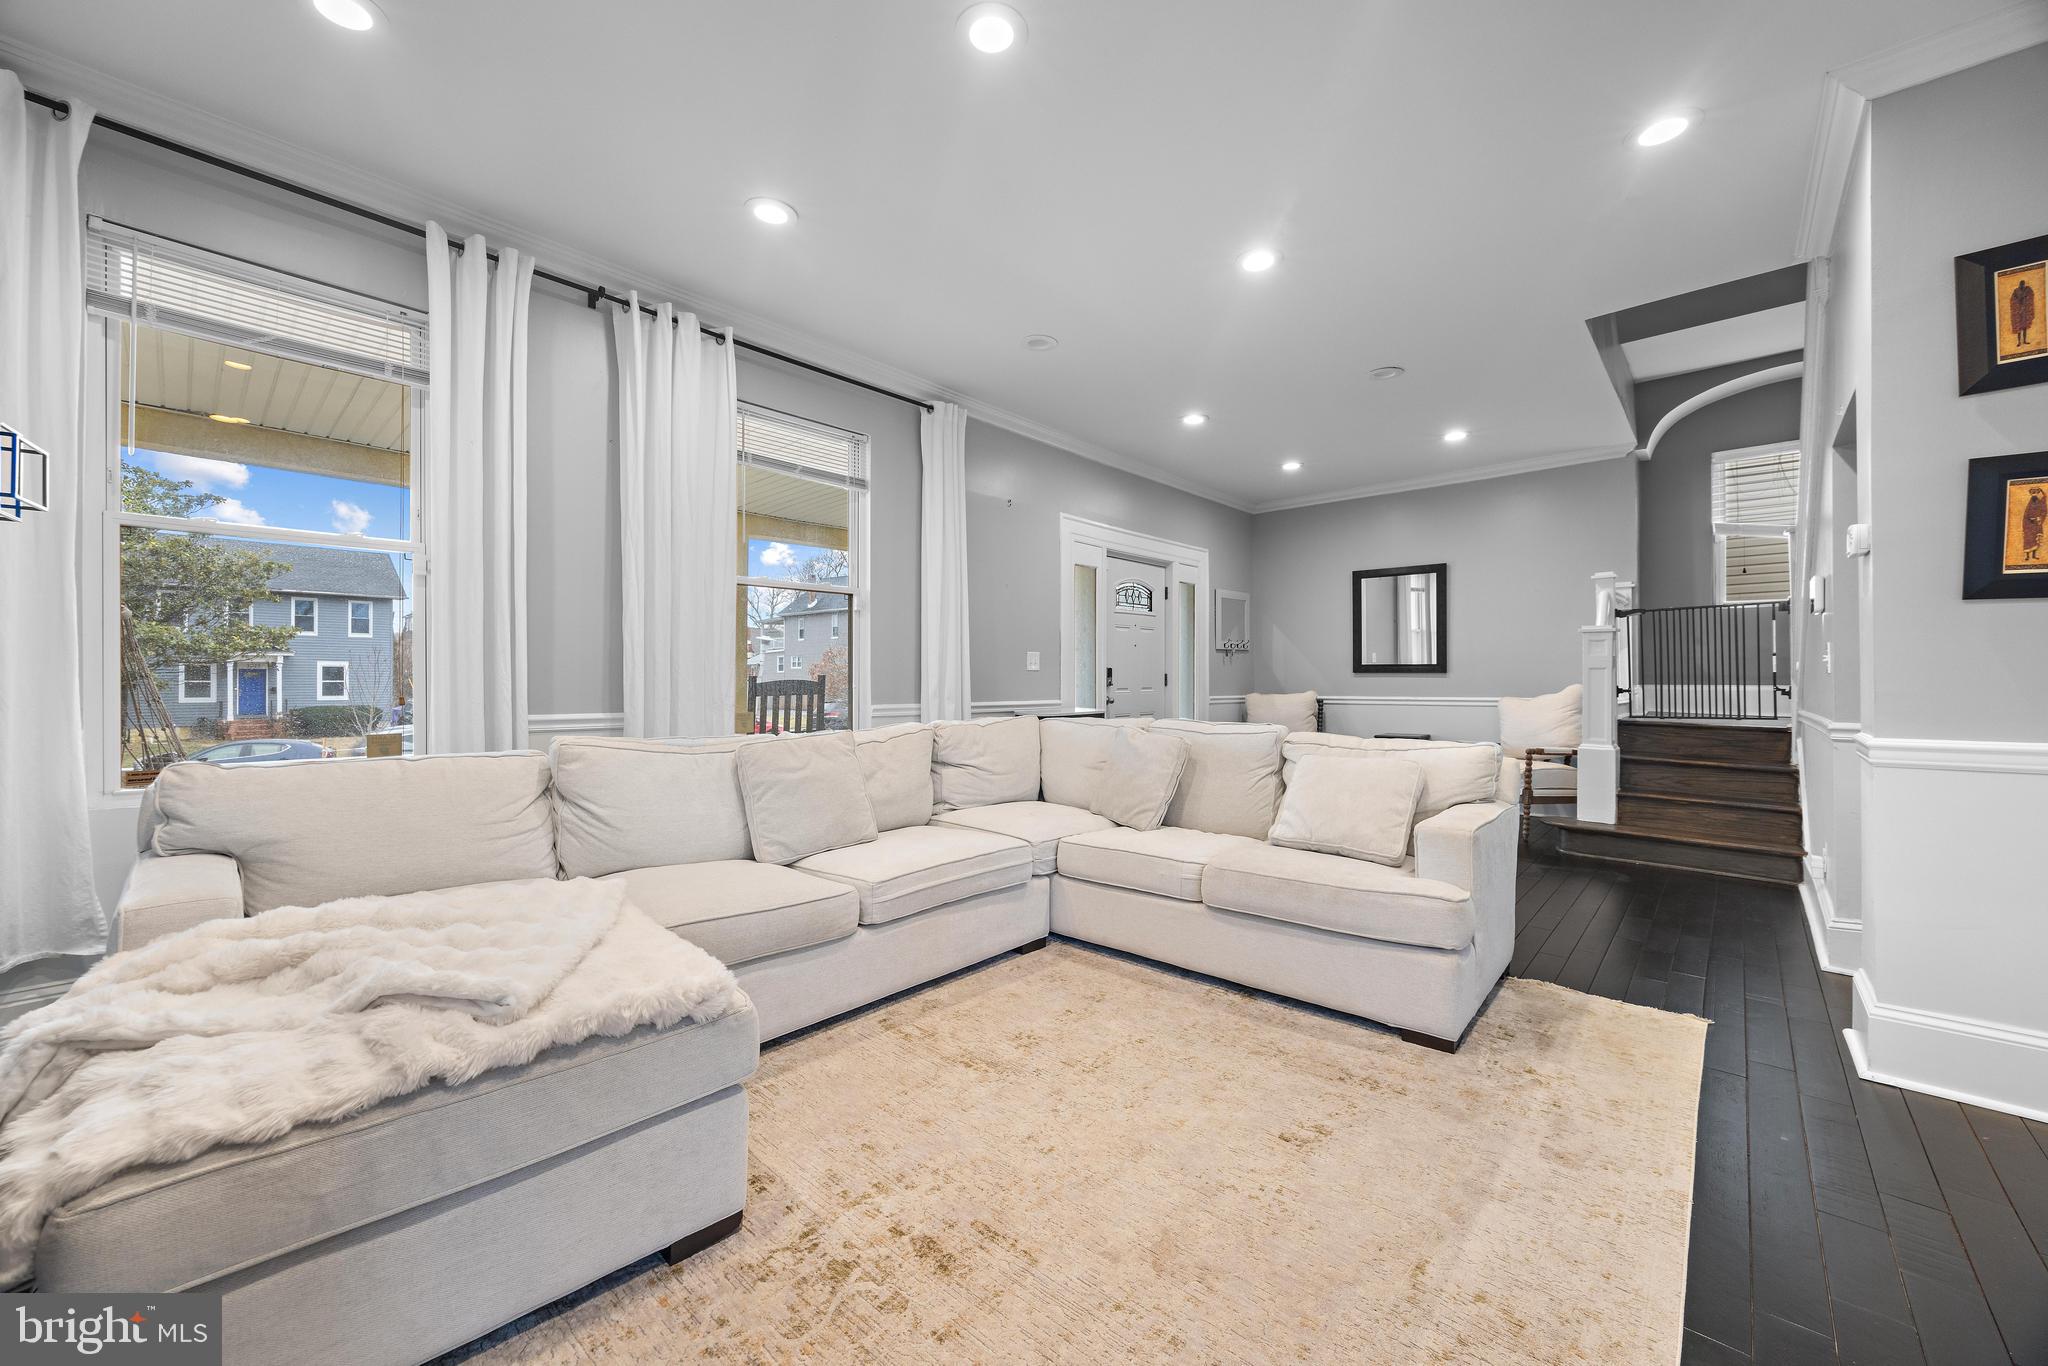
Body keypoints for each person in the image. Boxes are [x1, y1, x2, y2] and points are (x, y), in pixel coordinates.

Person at [2012, 275, 2037, 349]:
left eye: (2023, 284)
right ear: (2019, 285)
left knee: (2025, 327)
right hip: (2018, 311)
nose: (2022, 286)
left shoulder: (2027, 289)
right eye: (2021, 284)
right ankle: (2019, 342)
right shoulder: (2016, 291)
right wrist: (2017, 302)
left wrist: (2026, 299)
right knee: (2019, 327)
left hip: (2025, 311)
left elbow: (2031, 294)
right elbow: (2012, 299)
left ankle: (2025, 341)